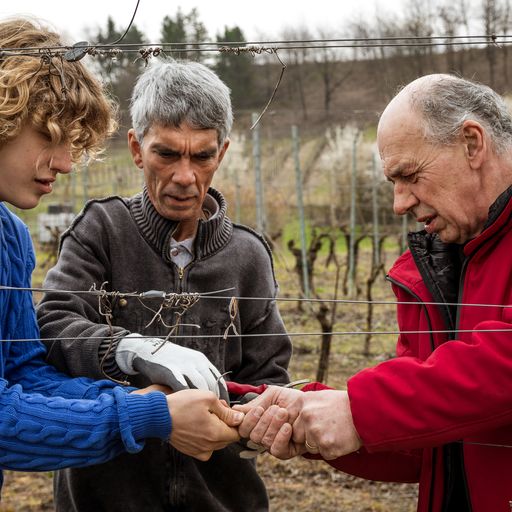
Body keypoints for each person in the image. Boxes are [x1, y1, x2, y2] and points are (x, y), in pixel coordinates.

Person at [235, 74, 512, 512]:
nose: (399, 203)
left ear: (472, 144)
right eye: (393, 183)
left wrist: (361, 411)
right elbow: (422, 442)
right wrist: (310, 414)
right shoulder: (431, 268)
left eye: (409, 175)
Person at [0, 16, 244, 498]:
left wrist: (140, 399)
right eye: (49, 137)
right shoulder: (99, 231)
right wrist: (145, 410)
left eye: (71, 144)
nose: (66, 163)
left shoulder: (10, 236)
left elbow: (21, 370)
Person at [36, 58, 292, 511]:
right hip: (105, 498)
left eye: (203, 155)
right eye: (167, 153)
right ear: (137, 149)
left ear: (223, 152)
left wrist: (252, 422)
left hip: (222, 499)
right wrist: (130, 349)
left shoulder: (248, 255)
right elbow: (54, 325)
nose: (185, 176)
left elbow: (268, 375)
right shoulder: (102, 230)